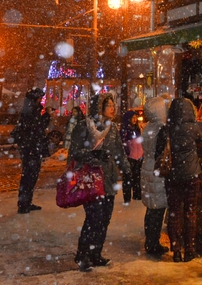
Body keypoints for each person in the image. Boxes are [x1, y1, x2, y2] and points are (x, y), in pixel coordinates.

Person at [68, 92, 131, 272]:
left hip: (108, 179)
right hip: (91, 179)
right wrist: (93, 155)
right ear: (100, 108)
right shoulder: (84, 127)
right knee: (94, 218)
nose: (113, 109)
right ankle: (83, 255)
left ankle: (96, 254)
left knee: (104, 218)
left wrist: (128, 170)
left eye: (113, 105)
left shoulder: (112, 128)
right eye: (109, 105)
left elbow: (119, 152)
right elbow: (75, 151)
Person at [166, 97, 202, 263]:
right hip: (191, 174)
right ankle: (190, 249)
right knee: (190, 212)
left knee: (174, 212)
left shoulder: (167, 128)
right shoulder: (194, 128)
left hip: (173, 175)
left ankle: (176, 250)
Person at [14, 87, 53, 214]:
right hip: (32, 149)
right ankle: (24, 204)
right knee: (30, 176)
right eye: (40, 98)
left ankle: (25, 202)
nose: (41, 100)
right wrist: (47, 115)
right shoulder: (31, 112)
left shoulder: (28, 110)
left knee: (28, 176)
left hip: (30, 148)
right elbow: (38, 128)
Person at [140, 96, 170, 257]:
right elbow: (162, 152)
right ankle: (153, 243)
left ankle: (149, 241)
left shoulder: (148, 127)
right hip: (157, 170)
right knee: (158, 208)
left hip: (148, 167)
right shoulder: (161, 129)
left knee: (151, 208)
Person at [120, 109, 143, 204]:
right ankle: (127, 197)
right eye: (132, 118)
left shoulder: (137, 129)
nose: (134, 119)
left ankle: (137, 194)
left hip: (139, 156)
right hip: (130, 157)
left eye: (135, 117)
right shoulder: (125, 130)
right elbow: (122, 142)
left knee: (137, 177)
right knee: (128, 178)